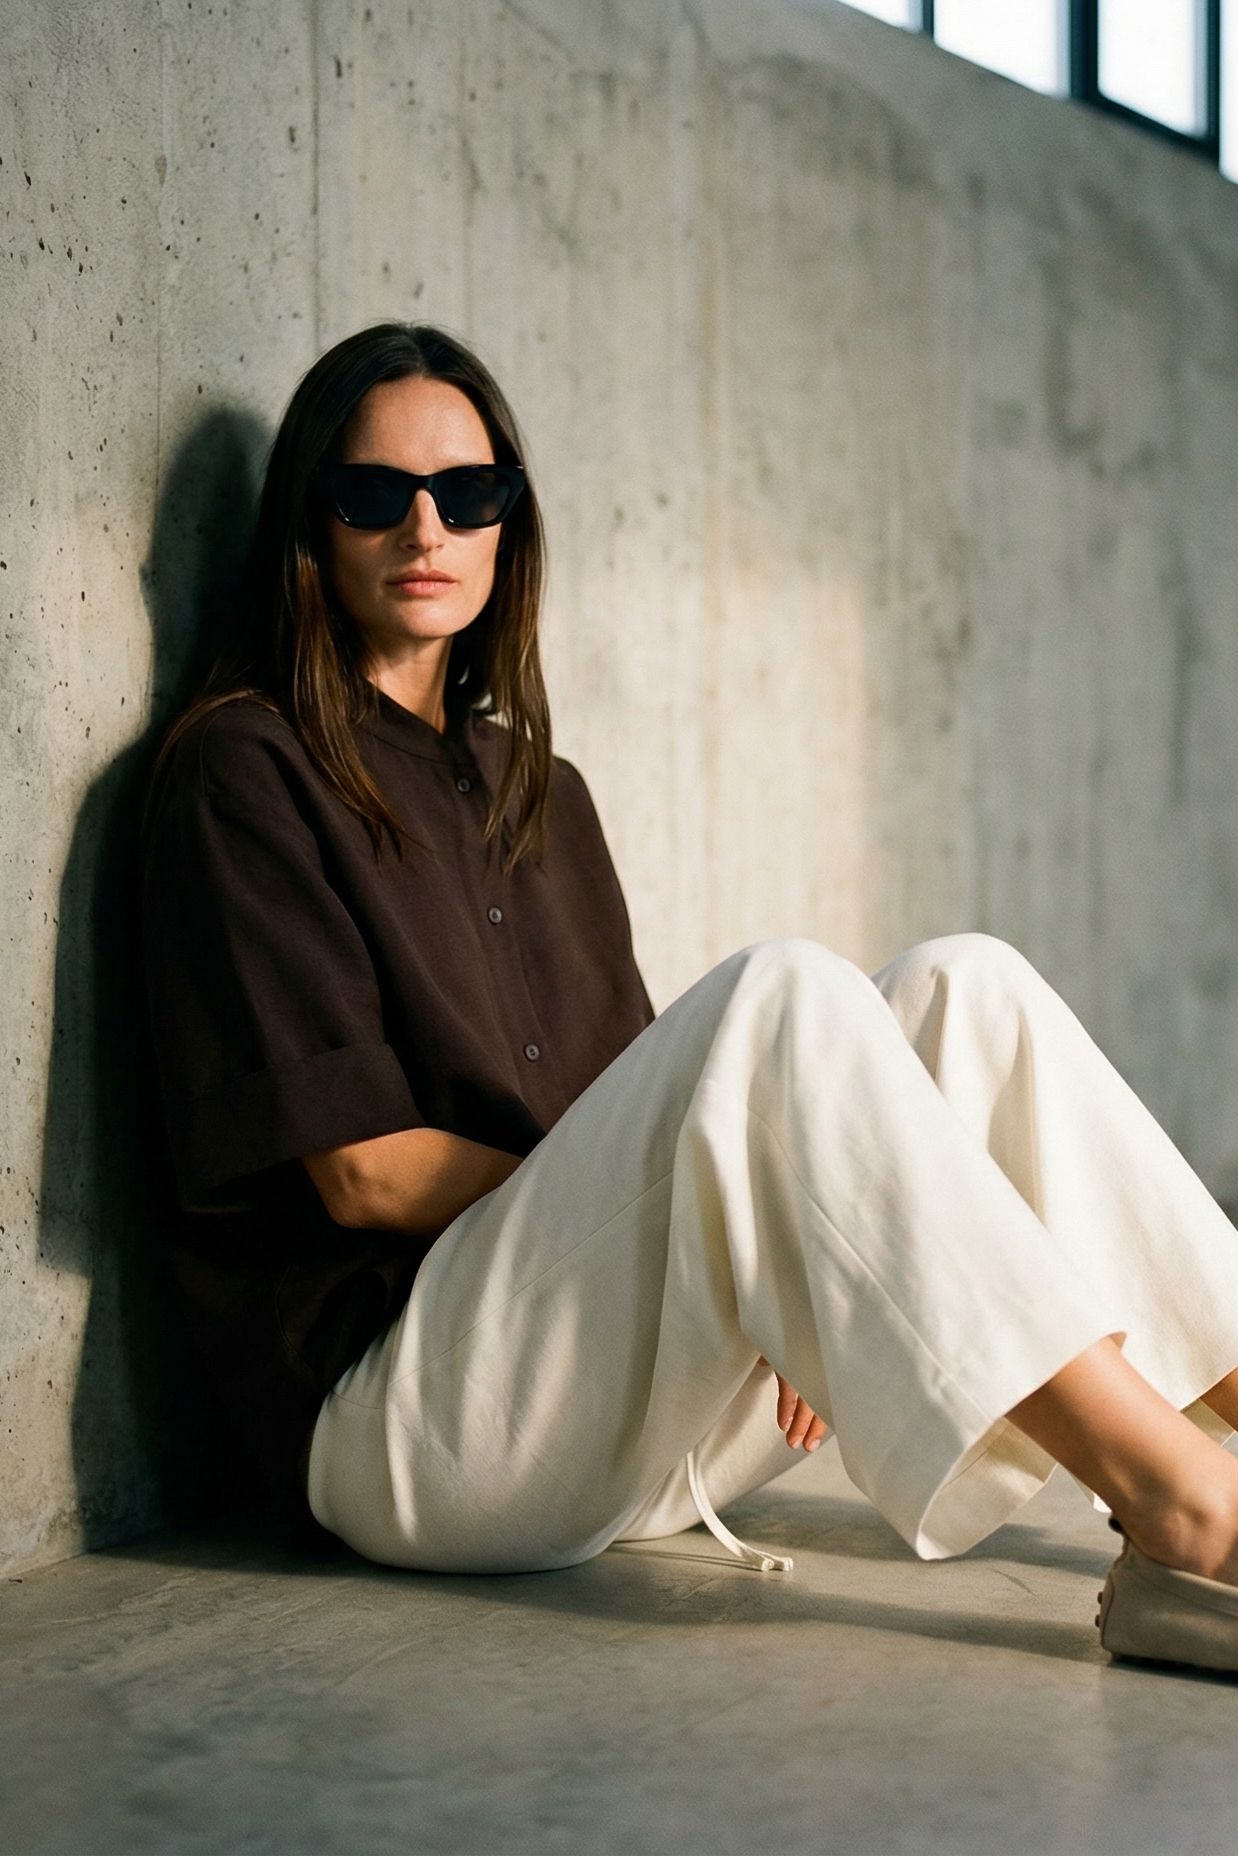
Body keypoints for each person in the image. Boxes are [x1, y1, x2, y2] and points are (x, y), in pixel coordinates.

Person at [144, 322, 1238, 1672]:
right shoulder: (243, 773)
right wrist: (729, 1204)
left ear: (508, 526)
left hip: (619, 1422)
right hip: (409, 1429)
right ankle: (1188, 1514)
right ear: (311, 525)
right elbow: (362, 1175)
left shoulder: (538, 788)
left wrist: (783, 1226)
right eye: (374, 493)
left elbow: (645, 1110)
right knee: (778, 997)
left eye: (468, 493)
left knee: (970, 987)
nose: (425, 526)